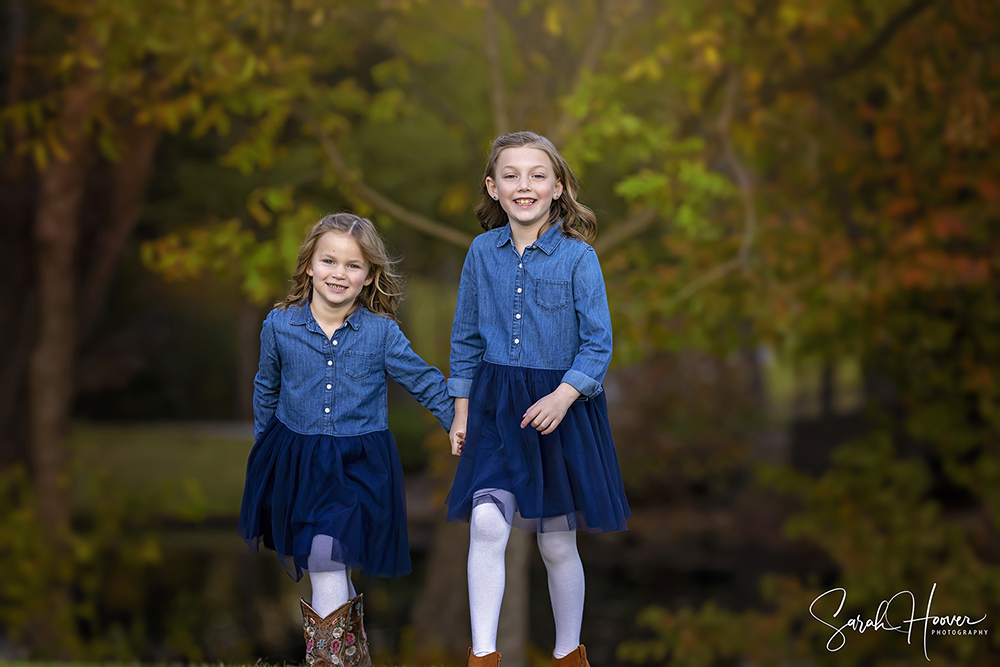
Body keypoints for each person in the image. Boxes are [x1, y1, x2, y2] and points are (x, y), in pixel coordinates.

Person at [446, 131, 630, 667]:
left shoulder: (579, 258)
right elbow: (465, 338)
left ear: (557, 188)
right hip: (495, 405)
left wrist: (564, 395)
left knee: (555, 543)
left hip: (560, 408)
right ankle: (483, 656)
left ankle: (569, 655)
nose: (523, 185)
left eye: (537, 175)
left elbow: (599, 343)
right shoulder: (481, 253)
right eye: (511, 175)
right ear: (493, 187)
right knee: (485, 523)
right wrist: (461, 410)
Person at [239, 213, 454, 667]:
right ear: (309, 267)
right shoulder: (279, 326)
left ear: (370, 275)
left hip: (360, 466)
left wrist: (459, 422)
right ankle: (352, 659)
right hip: (297, 461)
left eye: (353, 265)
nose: (340, 273)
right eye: (329, 261)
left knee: (324, 558)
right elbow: (266, 387)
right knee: (329, 564)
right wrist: (265, 452)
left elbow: (425, 381)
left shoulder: (381, 333)